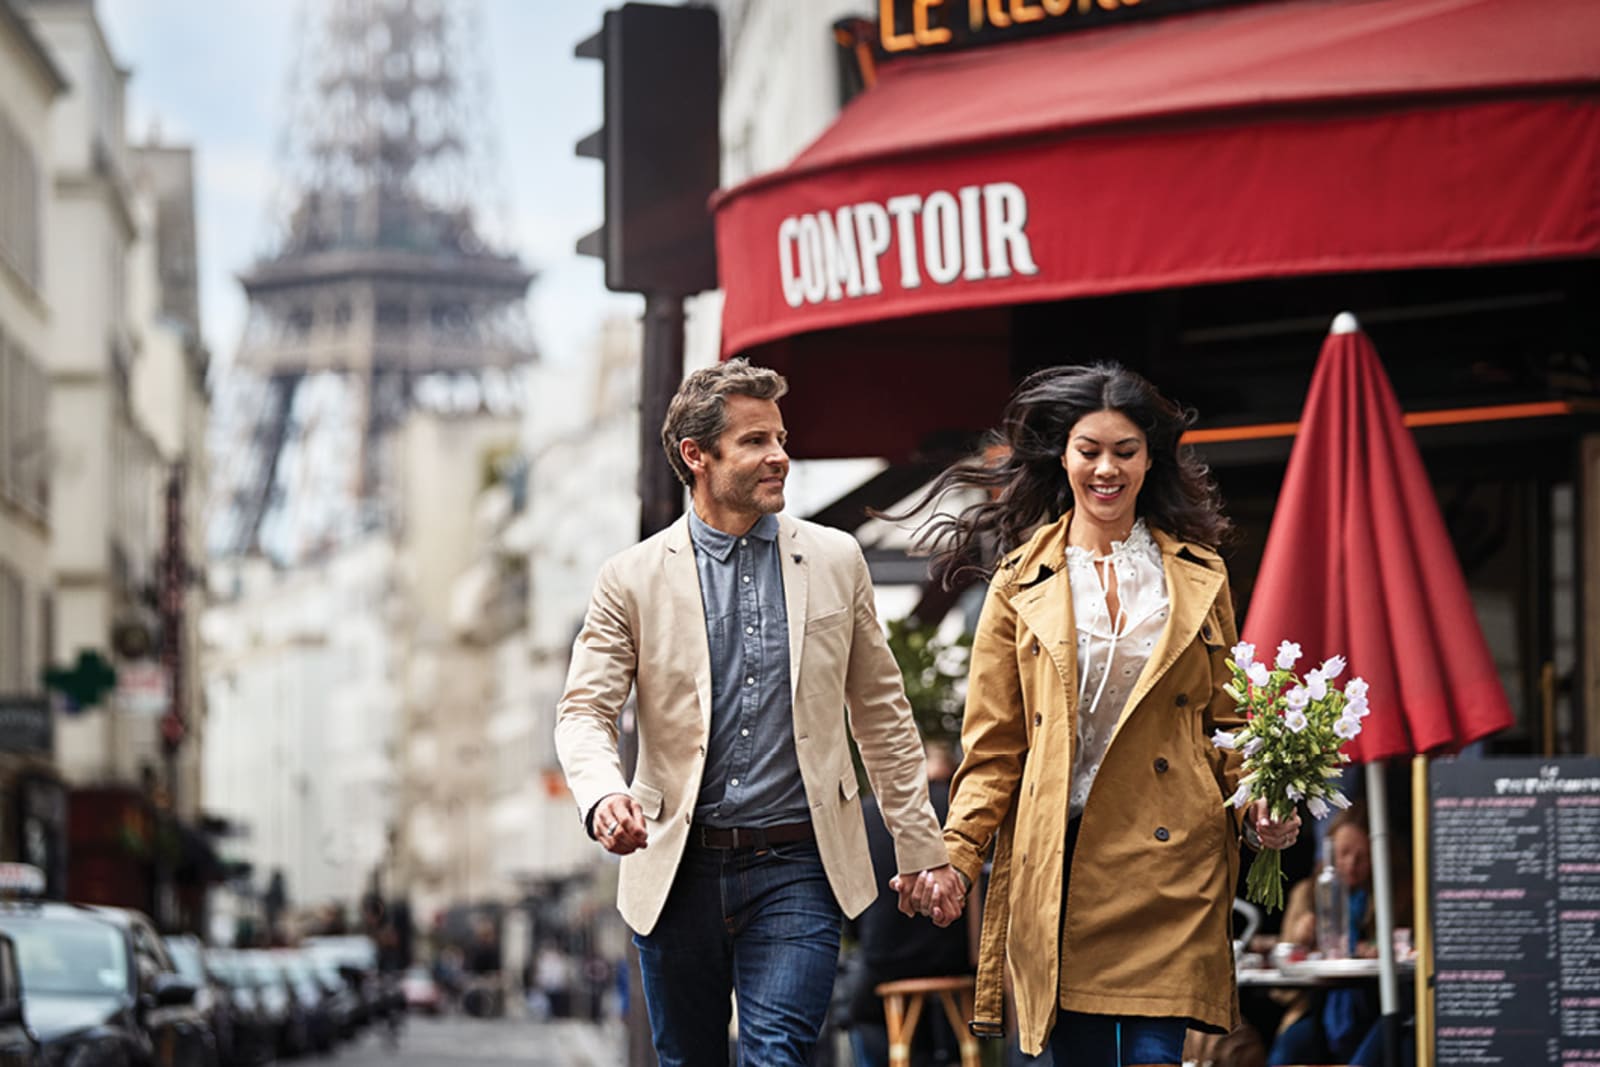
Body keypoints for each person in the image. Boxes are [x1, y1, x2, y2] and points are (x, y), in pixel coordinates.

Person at [554, 358, 961, 1066]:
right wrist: (603, 795)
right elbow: (584, 710)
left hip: (797, 862)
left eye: (780, 437)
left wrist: (922, 851)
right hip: (675, 866)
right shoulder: (631, 579)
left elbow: (883, 714)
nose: (779, 455)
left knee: (779, 1055)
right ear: (697, 456)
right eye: (754, 441)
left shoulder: (836, 560)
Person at [900, 363, 1303, 1064]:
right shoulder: (1018, 584)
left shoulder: (1200, 575)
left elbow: (1230, 725)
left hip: (1173, 865)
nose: (1107, 468)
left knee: (1153, 1057)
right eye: (1090, 450)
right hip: (1062, 865)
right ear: (1064, 456)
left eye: (1125, 450)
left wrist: (1261, 804)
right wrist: (957, 857)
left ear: (1150, 459)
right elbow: (994, 750)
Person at [846, 741, 975, 1067]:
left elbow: (852, 914)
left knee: (856, 1010)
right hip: (958, 961)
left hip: (886, 959)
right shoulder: (961, 812)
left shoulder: (865, 814)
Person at [1267, 804, 1410, 1067]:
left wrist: (1379, 946)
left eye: (1362, 856)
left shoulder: (1396, 895)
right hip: (1318, 1009)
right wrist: (1297, 943)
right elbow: (1280, 990)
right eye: (1344, 853)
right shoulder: (1307, 894)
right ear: (1329, 851)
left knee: (1390, 1037)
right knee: (1289, 1048)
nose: (1351, 864)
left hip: (1378, 1005)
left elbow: (1408, 946)